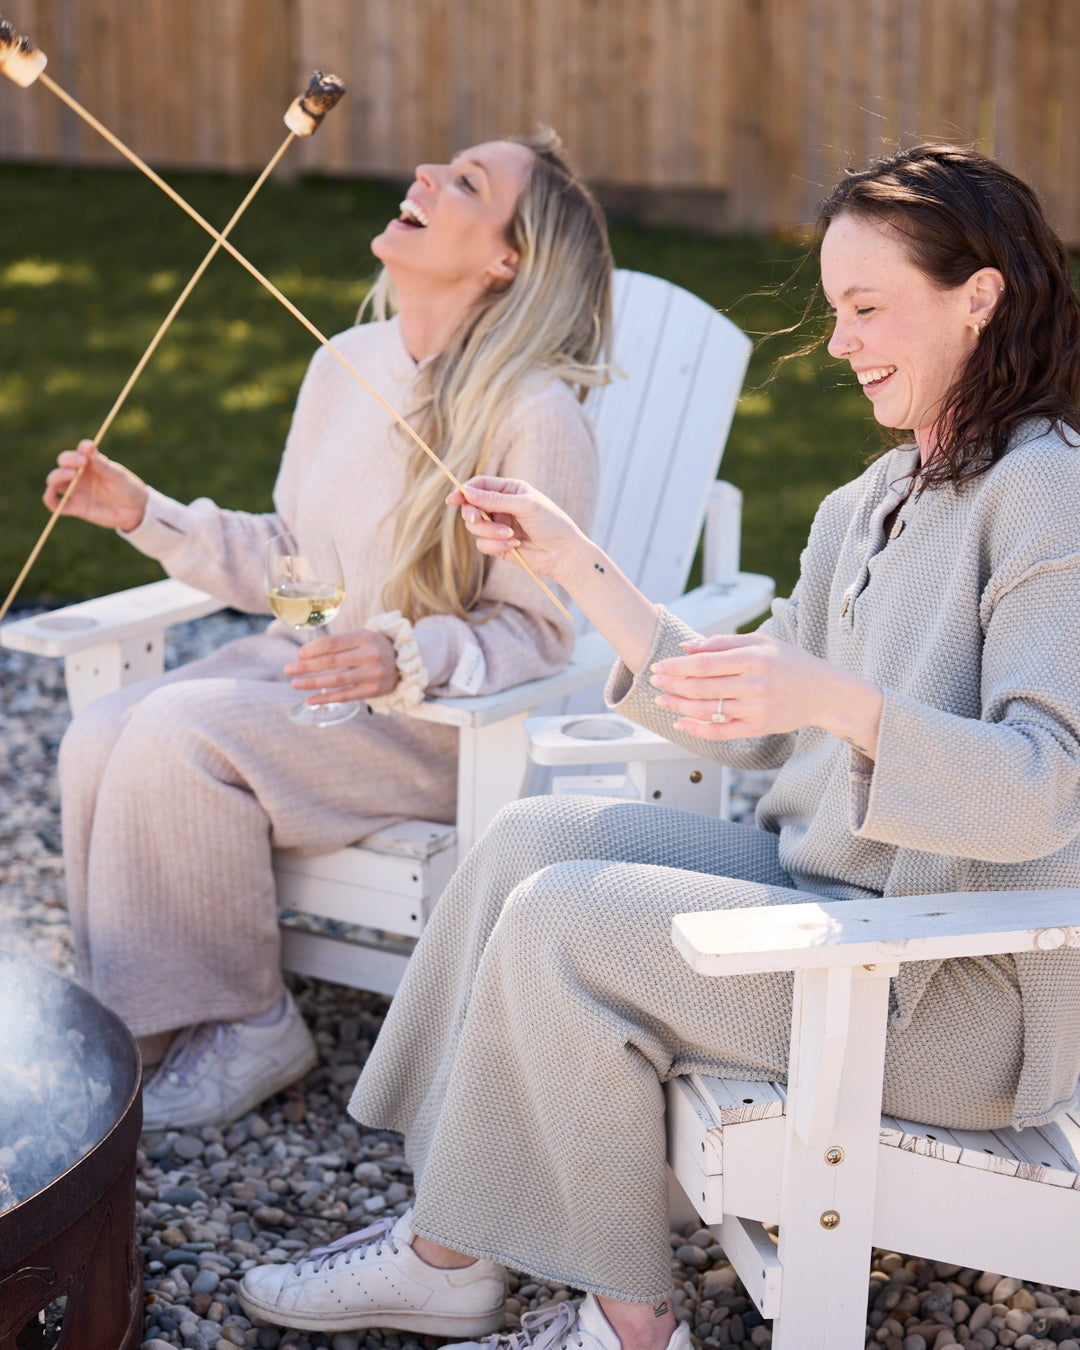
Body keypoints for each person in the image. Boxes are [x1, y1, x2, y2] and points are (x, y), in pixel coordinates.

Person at [236, 143, 1080, 1350]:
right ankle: (451, 1243)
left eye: (867, 307)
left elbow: (1049, 789)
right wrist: (572, 561)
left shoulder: (1047, 491)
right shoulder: (873, 500)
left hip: (947, 989)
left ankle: (629, 1327)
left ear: (980, 296)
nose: (839, 342)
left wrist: (840, 702)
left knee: (567, 920)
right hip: (839, 905)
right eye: (834, 310)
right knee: (528, 837)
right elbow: (738, 708)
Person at [45, 129, 613, 1131]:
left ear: (506, 257)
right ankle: (134, 1032)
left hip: (424, 722)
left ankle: (250, 1021)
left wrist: (404, 655)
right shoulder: (342, 365)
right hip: (307, 680)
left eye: (465, 182)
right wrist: (145, 513)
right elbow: (289, 555)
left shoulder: (533, 414)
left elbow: (537, 632)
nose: (425, 177)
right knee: (99, 731)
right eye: (439, 165)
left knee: (179, 734)